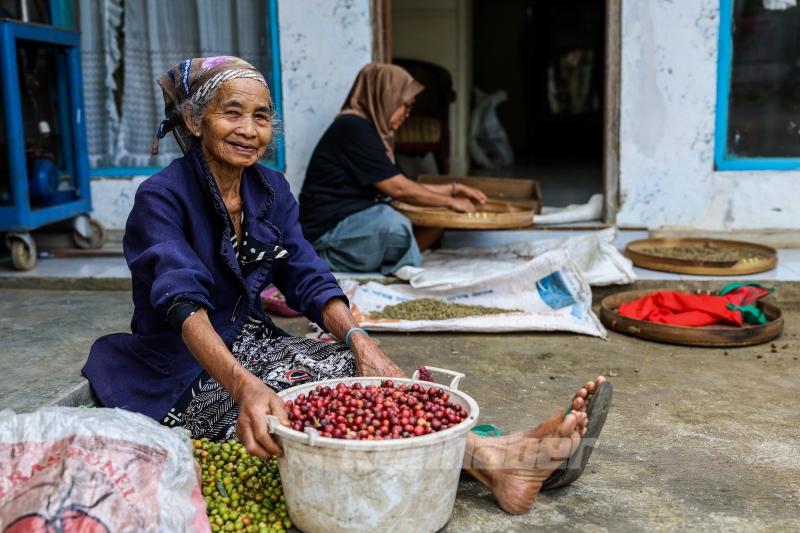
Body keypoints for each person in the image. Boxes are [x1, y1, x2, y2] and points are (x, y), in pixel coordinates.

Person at [83, 56, 611, 515]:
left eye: (261, 117)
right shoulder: (161, 197)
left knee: (369, 378)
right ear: (196, 122)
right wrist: (244, 385)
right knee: (301, 398)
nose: (249, 129)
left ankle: (492, 457)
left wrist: (362, 342)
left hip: (249, 341)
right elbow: (182, 304)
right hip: (181, 370)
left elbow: (307, 275)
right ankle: (494, 458)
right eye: (232, 113)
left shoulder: (269, 190)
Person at [299, 63, 488, 274]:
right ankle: (325, 260)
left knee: (436, 219)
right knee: (394, 226)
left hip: (355, 219)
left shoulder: (374, 133)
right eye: (405, 105)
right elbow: (398, 189)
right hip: (327, 232)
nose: (407, 114)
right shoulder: (352, 127)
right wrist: (450, 200)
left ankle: (398, 259)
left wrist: (454, 188)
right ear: (385, 97)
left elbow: (405, 186)